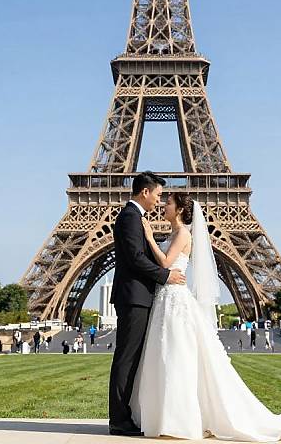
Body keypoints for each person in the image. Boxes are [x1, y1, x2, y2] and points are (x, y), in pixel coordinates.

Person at [129, 194, 281, 441]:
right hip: (167, 299)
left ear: (178, 210)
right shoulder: (172, 235)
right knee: (168, 355)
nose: (163, 206)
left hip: (174, 299)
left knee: (177, 355)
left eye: (167, 203)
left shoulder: (183, 235)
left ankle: (180, 419)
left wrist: (147, 237)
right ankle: (170, 418)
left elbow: (166, 263)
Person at [108, 172, 186, 437]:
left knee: (131, 359)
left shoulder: (135, 218)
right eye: (159, 195)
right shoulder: (131, 217)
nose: (159, 200)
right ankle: (119, 419)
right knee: (126, 358)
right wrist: (165, 276)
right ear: (145, 192)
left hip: (140, 296)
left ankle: (127, 415)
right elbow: (134, 258)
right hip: (133, 297)